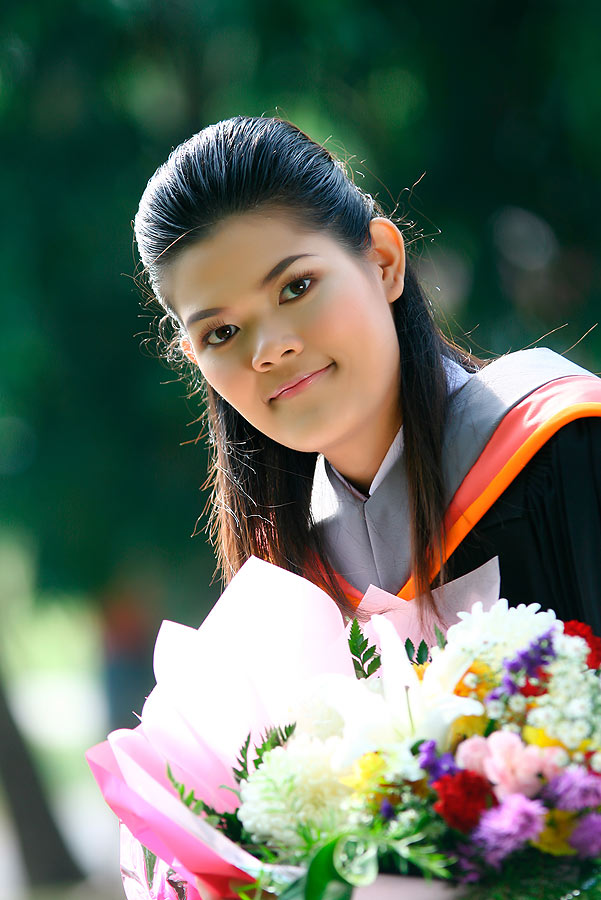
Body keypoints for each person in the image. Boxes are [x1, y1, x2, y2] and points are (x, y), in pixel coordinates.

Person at [134, 115, 601, 634]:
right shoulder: (290, 588)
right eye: (221, 333)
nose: (269, 350)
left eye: (296, 287)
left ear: (383, 262)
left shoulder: (565, 447)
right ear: (196, 360)